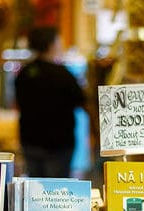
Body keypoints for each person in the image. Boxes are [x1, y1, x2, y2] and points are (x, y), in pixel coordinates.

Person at [14, 26, 86, 178]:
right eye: (59, 40)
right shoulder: (64, 75)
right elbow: (81, 101)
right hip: (59, 143)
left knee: (35, 189)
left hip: (30, 140)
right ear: (51, 44)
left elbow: (18, 103)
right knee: (57, 191)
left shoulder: (25, 73)